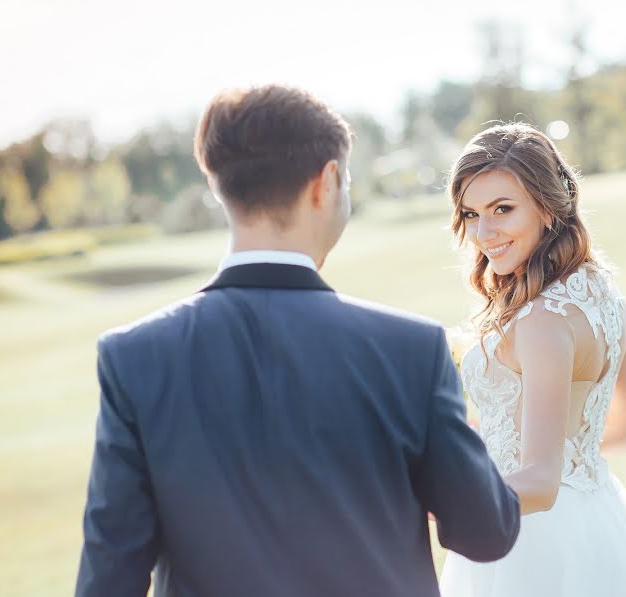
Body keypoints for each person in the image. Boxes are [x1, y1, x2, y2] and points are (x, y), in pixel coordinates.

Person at [74, 84, 520, 597]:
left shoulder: (135, 358)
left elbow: (109, 580)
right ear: (326, 182)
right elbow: (486, 532)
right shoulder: (410, 349)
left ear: (220, 186)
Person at [439, 123, 626, 596]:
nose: (484, 233)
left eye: (502, 209)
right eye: (471, 213)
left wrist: (440, 497)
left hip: (529, 544)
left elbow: (541, 484)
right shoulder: (603, 295)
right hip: (598, 523)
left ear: (547, 206)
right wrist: (512, 446)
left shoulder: (541, 320)